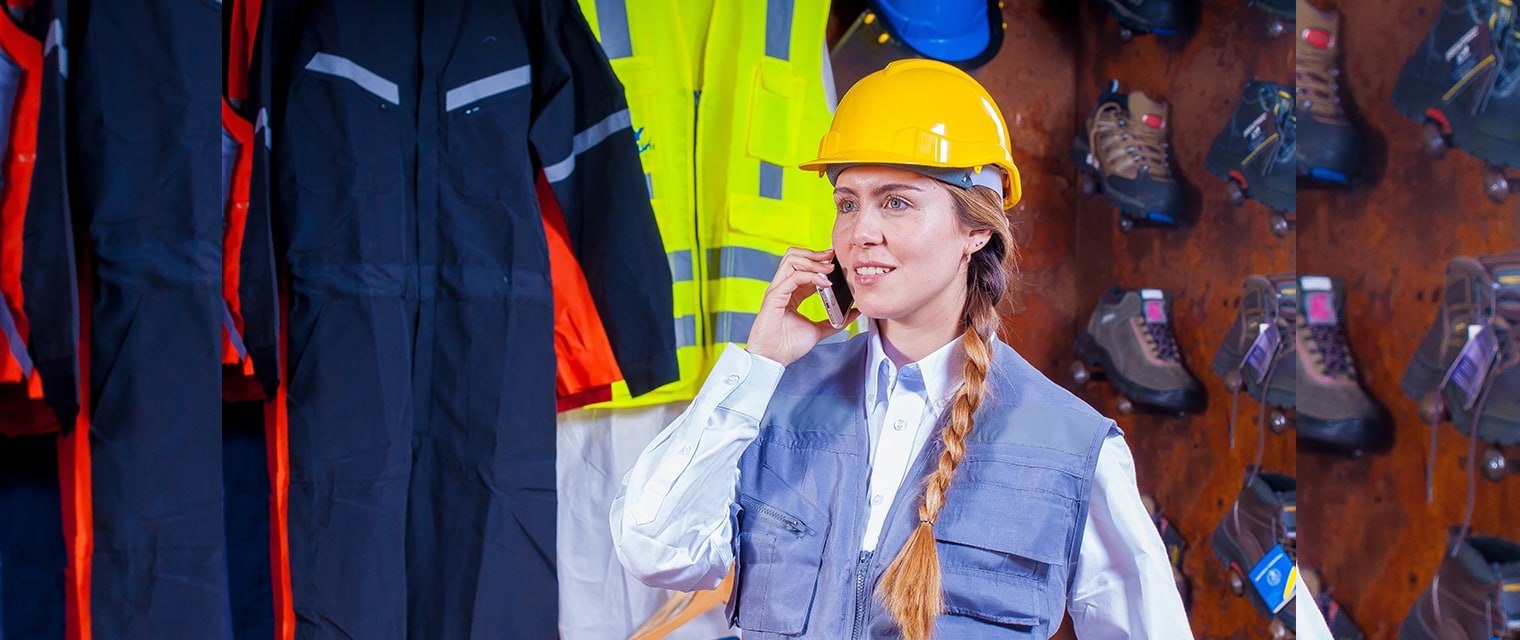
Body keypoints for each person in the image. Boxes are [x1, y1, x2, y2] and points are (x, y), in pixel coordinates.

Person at [611, 59, 1192, 639]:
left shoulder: (1071, 447)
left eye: (896, 202)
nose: (861, 231)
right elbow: (654, 548)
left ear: (977, 229)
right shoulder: (769, 400)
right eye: (847, 203)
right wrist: (759, 363)